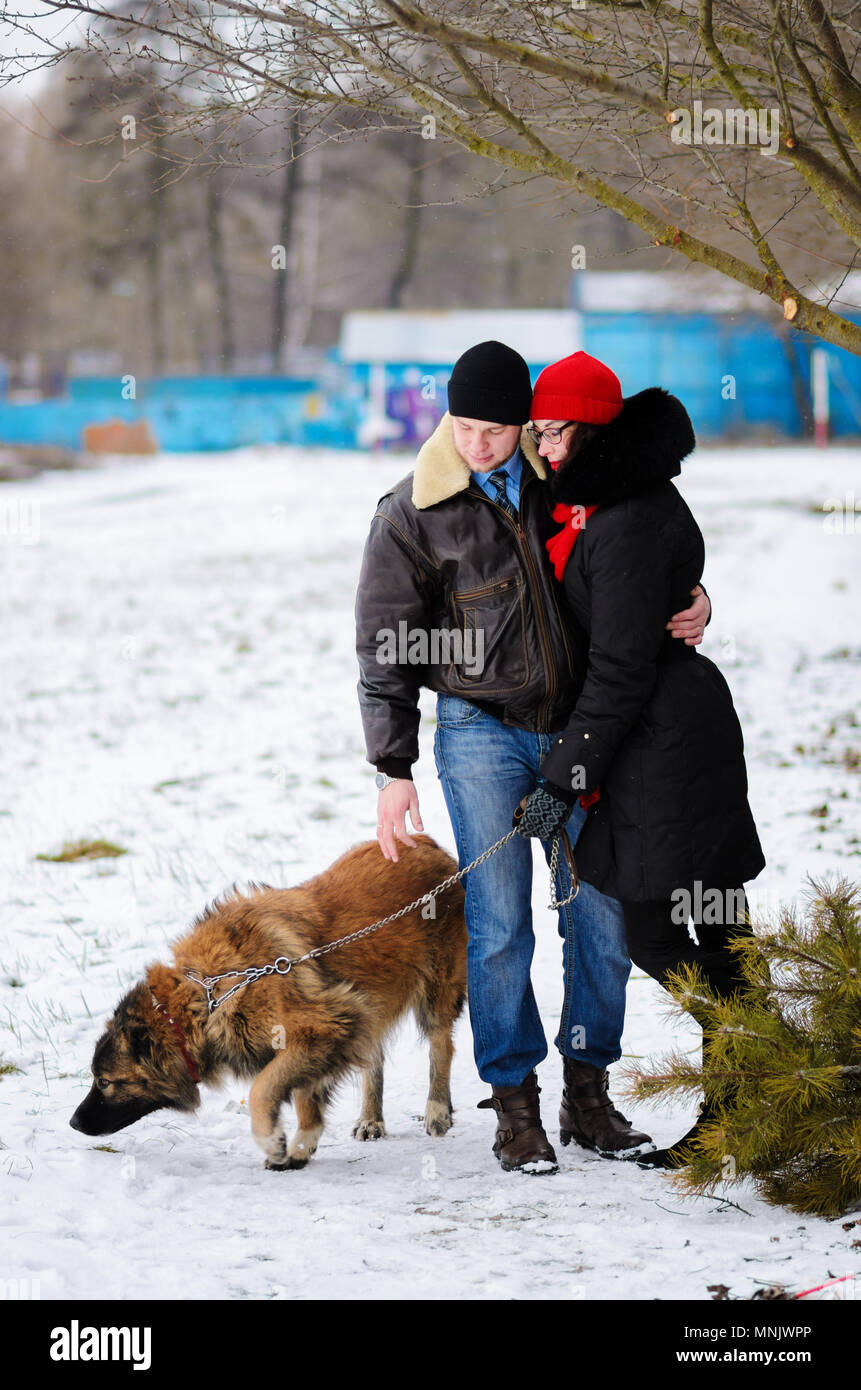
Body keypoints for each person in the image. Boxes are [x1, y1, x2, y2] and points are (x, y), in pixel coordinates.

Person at [355, 341, 712, 1173]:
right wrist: (393, 768)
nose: (481, 445)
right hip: (479, 735)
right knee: (498, 925)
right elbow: (385, 647)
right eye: (466, 426)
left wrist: (691, 597)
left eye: (499, 429)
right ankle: (514, 1104)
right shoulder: (410, 512)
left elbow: (638, 557)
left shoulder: (565, 477)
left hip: (584, 733)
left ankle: (586, 1093)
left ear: (526, 425)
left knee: (599, 916)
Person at [515, 351, 766, 1168]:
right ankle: (747, 1099)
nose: (545, 449)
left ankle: (747, 1086)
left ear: (591, 430)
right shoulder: (601, 500)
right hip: (660, 734)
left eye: (555, 433)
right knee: (711, 929)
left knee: (671, 932)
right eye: (538, 433)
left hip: (663, 743)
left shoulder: (623, 516)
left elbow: (620, 666)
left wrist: (560, 779)